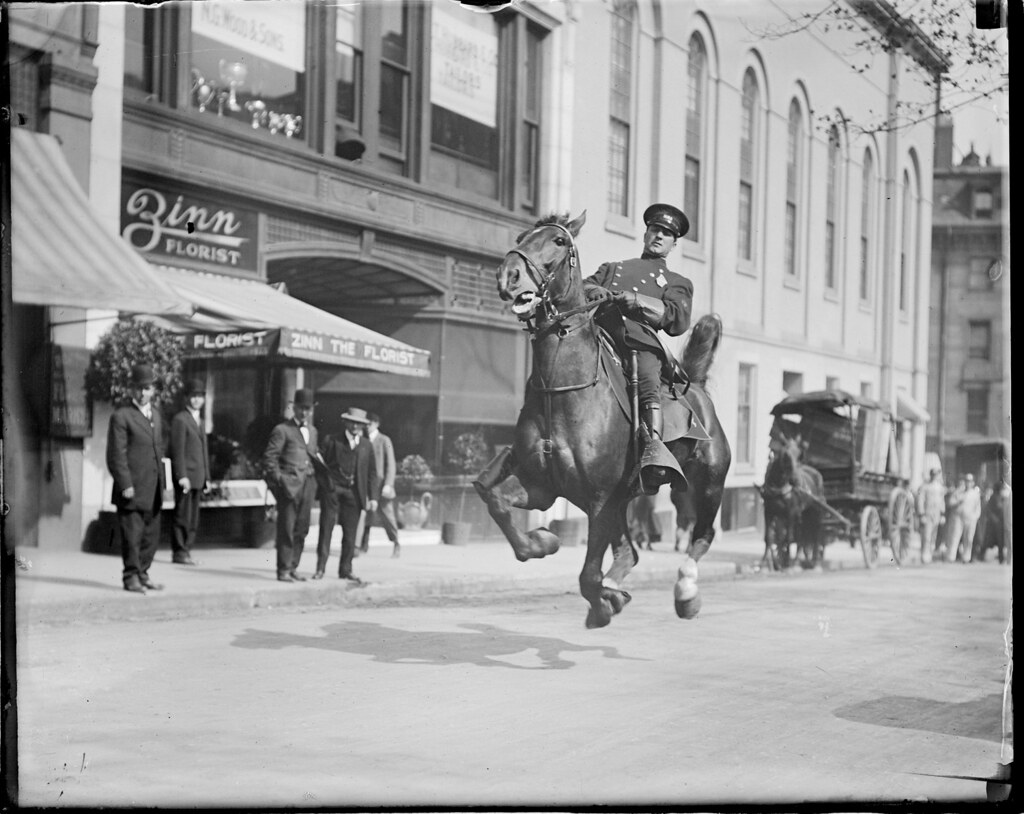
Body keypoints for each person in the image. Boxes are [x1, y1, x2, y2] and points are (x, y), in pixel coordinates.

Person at [584, 203, 693, 494]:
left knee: (647, 378)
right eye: (655, 230)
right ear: (646, 233)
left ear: (673, 244)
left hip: (639, 344)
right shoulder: (614, 269)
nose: (659, 236)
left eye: (666, 234)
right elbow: (583, 287)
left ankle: (654, 451)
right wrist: (599, 291)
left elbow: (676, 319)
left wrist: (636, 301)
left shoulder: (676, 282)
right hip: (602, 335)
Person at [106, 363, 166, 594]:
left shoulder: (157, 416)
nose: (143, 393)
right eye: (138, 388)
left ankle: (143, 573)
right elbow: (115, 455)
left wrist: (164, 484)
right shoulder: (122, 416)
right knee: (132, 535)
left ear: (154, 390)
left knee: (150, 536)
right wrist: (125, 484)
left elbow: (159, 451)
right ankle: (130, 576)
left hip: (153, 489)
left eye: (147, 388)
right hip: (132, 488)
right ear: (132, 389)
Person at [316, 407, 379, 583]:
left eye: (359, 423)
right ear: (345, 422)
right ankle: (320, 568)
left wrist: (373, 497)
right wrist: (326, 486)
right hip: (333, 490)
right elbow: (319, 465)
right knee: (326, 528)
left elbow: (373, 473)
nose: (355, 426)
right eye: (352, 422)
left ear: (363, 426)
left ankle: (346, 569)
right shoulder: (332, 440)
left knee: (350, 533)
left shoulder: (366, 445)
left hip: (354, 492)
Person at [262, 388, 320, 582]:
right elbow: (270, 459)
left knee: (302, 529)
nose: (304, 412)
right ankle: (283, 569)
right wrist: (281, 480)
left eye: (308, 409)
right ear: (293, 408)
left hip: (308, 486)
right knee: (286, 528)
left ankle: (294, 566)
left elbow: (311, 456)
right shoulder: (282, 430)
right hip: (289, 487)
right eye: (301, 408)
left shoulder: (312, 431)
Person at [169, 378, 210, 566]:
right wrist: (181, 475)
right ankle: (179, 551)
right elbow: (177, 451)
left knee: (193, 517)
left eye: (199, 396)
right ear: (186, 398)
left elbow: (204, 451)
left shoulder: (200, 421)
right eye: (193, 396)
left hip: (198, 477)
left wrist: (207, 477)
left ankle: (187, 549)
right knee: (182, 515)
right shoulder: (180, 419)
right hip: (186, 477)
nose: (196, 400)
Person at [360, 412, 401, 558]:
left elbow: (391, 464)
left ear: (376, 424)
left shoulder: (384, 440)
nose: (367, 426)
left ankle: (396, 543)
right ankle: (363, 545)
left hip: (381, 485)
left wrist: (389, 484)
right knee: (365, 515)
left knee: (387, 516)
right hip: (366, 484)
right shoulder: (362, 440)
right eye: (365, 424)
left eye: (369, 424)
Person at [915, 468, 945, 564]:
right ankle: (925, 555)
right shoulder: (925, 487)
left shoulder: (940, 487)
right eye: (933, 475)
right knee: (926, 535)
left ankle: (930, 554)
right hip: (927, 513)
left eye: (936, 475)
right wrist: (921, 514)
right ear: (931, 475)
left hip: (936, 514)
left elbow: (942, 501)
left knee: (933, 535)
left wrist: (942, 514)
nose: (935, 477)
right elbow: (920, 500)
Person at [957, 473, 982, 563]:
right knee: (961, 538)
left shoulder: (975, 494)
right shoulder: (961, 492)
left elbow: (978, 507)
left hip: (971, 519)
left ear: (973, 483)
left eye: (970, 481)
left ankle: (967, 557)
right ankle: (959, 556)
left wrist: (975, 517)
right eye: (967, 481)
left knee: (969, 538)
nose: (968, 483)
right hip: (961, 518)